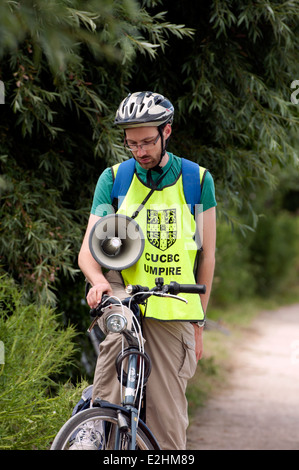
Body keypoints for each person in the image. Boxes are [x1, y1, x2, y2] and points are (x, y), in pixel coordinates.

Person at [77, 91, 217, 450]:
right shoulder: (114, 180)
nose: (140, 151)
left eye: (147, 142)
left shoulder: (196, 181)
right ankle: (95, 418)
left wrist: (198, 324)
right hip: (126, 291)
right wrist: (97, 282)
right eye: (132, 143)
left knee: (167, 429)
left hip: (175, 306)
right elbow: (88, 254)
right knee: (120, 320)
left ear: (166, 132)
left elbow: (207, 257)